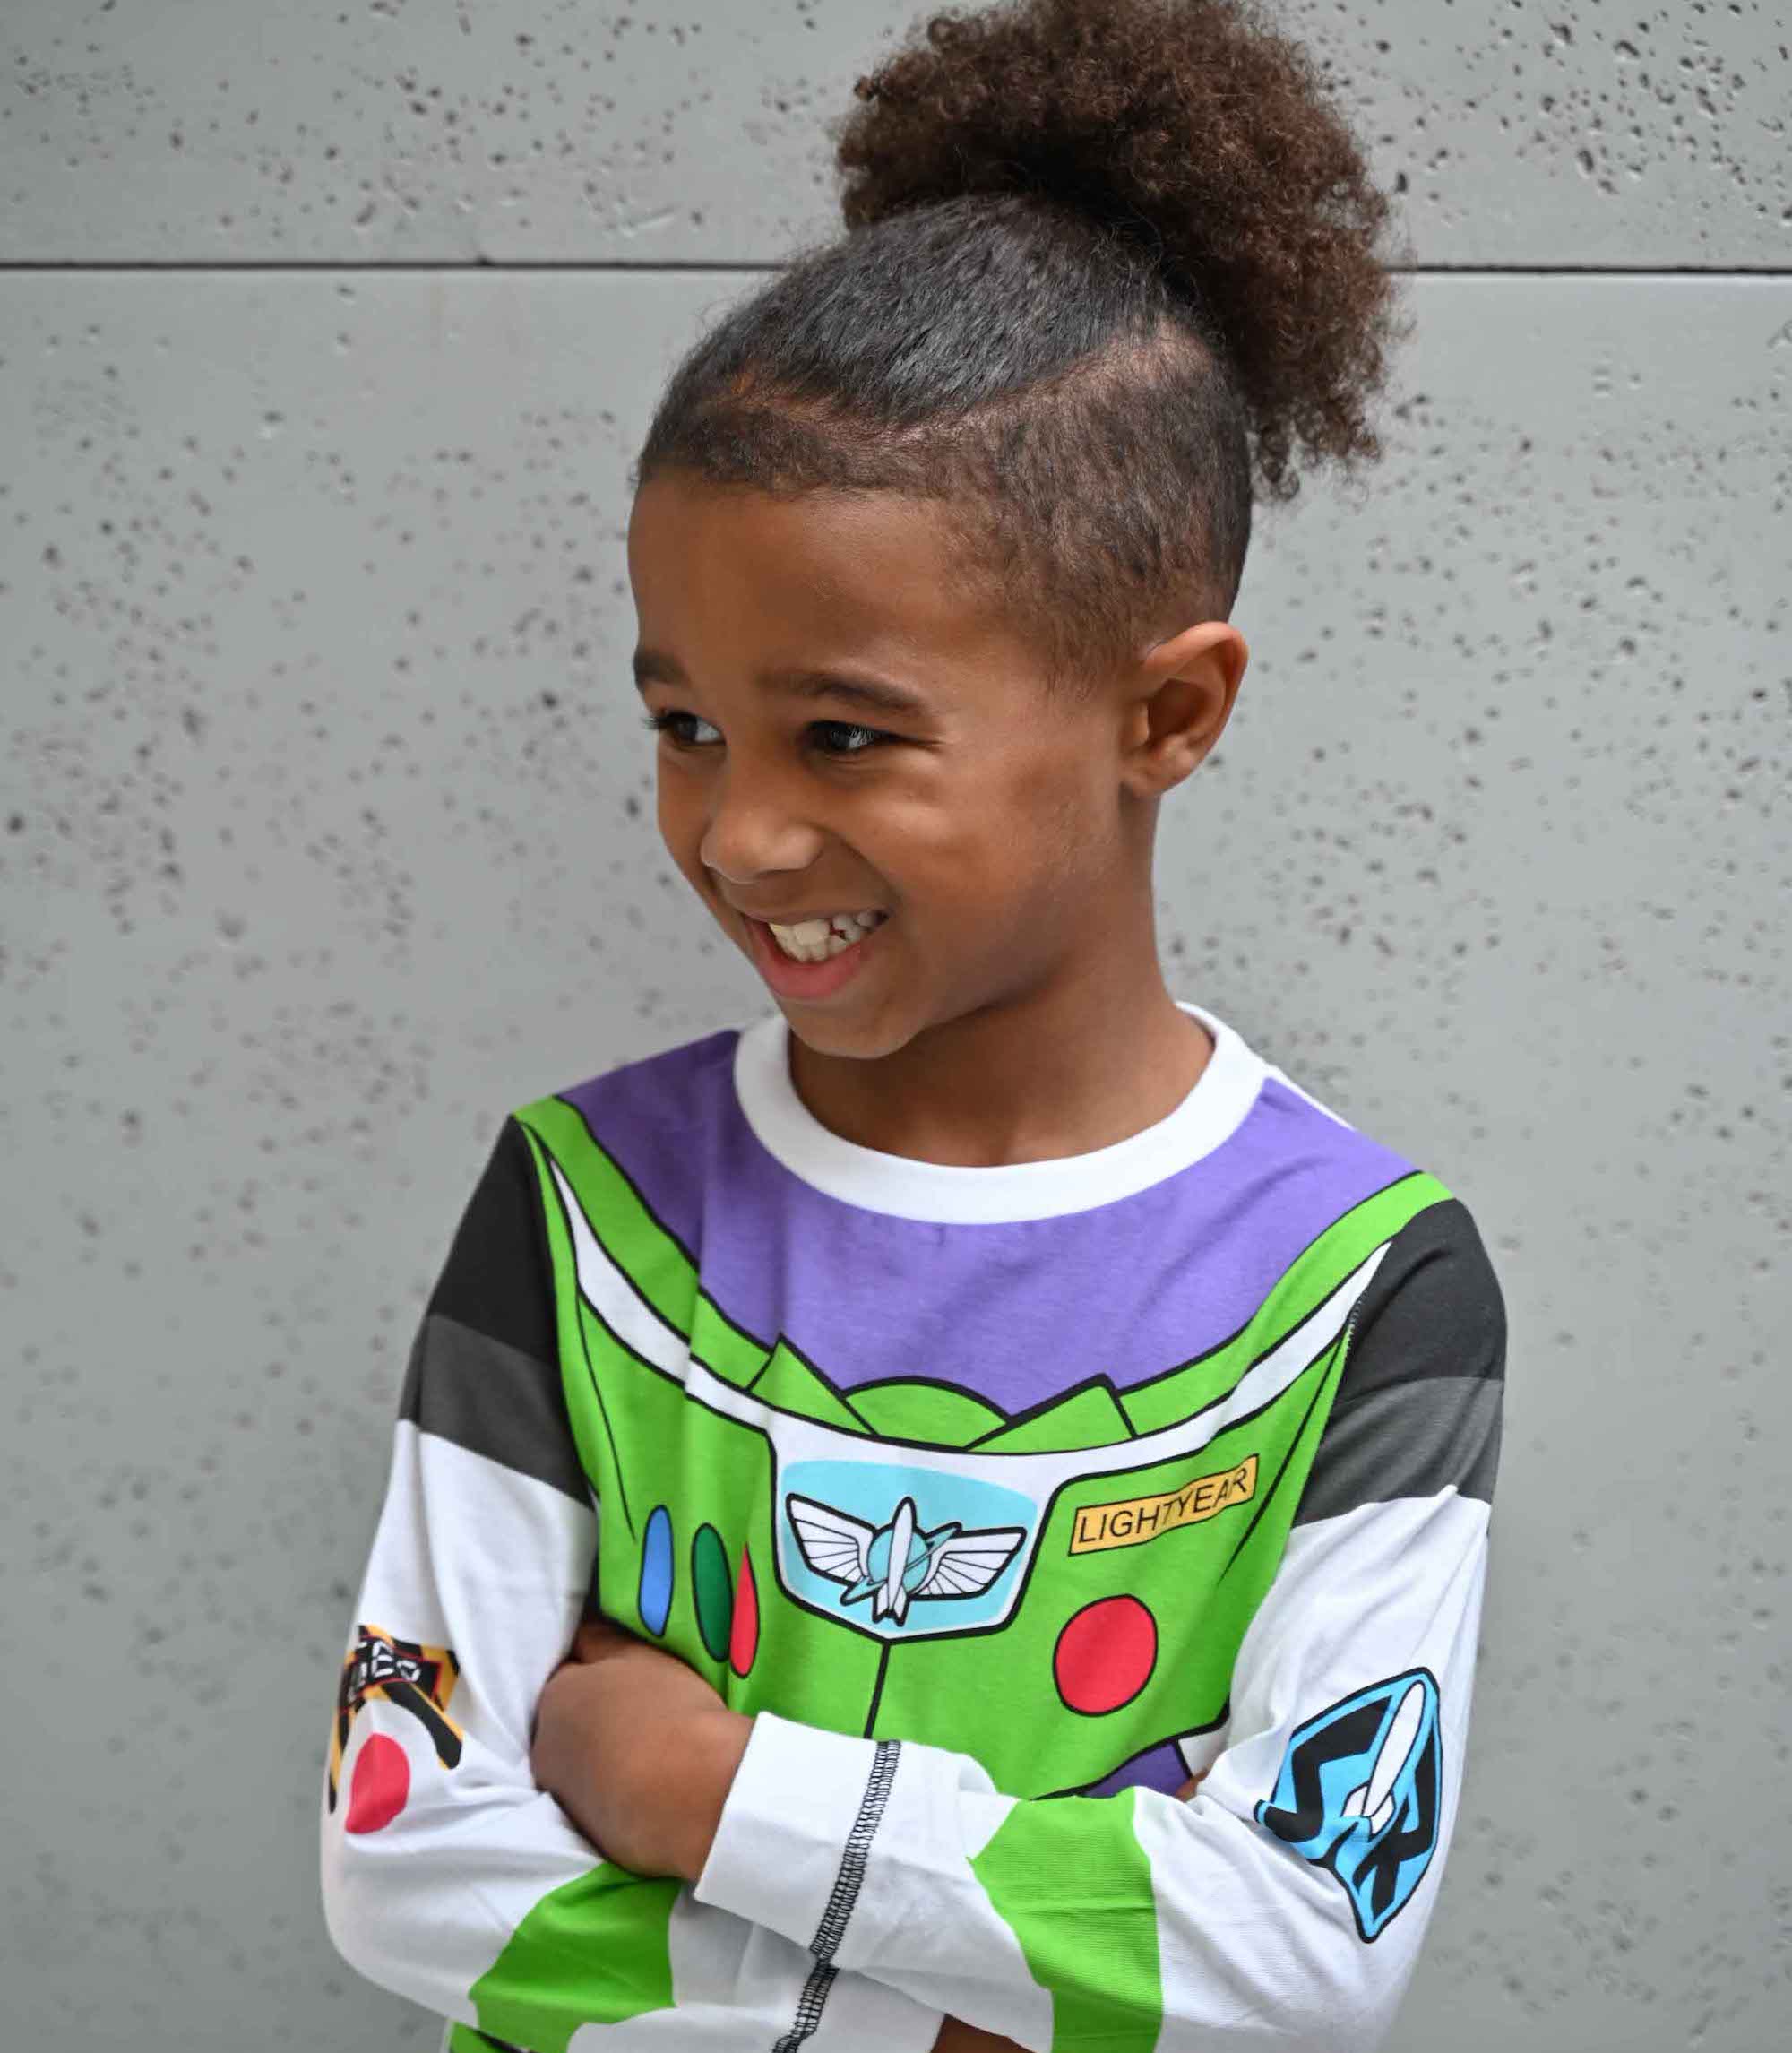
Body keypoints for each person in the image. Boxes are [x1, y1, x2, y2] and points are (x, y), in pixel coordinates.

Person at [319, 3, 1505, 2049]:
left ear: (1167, 712)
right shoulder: (583, 1207)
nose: (738, 832)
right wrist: (970, 2004)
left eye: (845, 736)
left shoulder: (1362, 1287)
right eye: (684, 723)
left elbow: (1307, 1950)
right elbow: (403, 1853)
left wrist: (707, 1793)